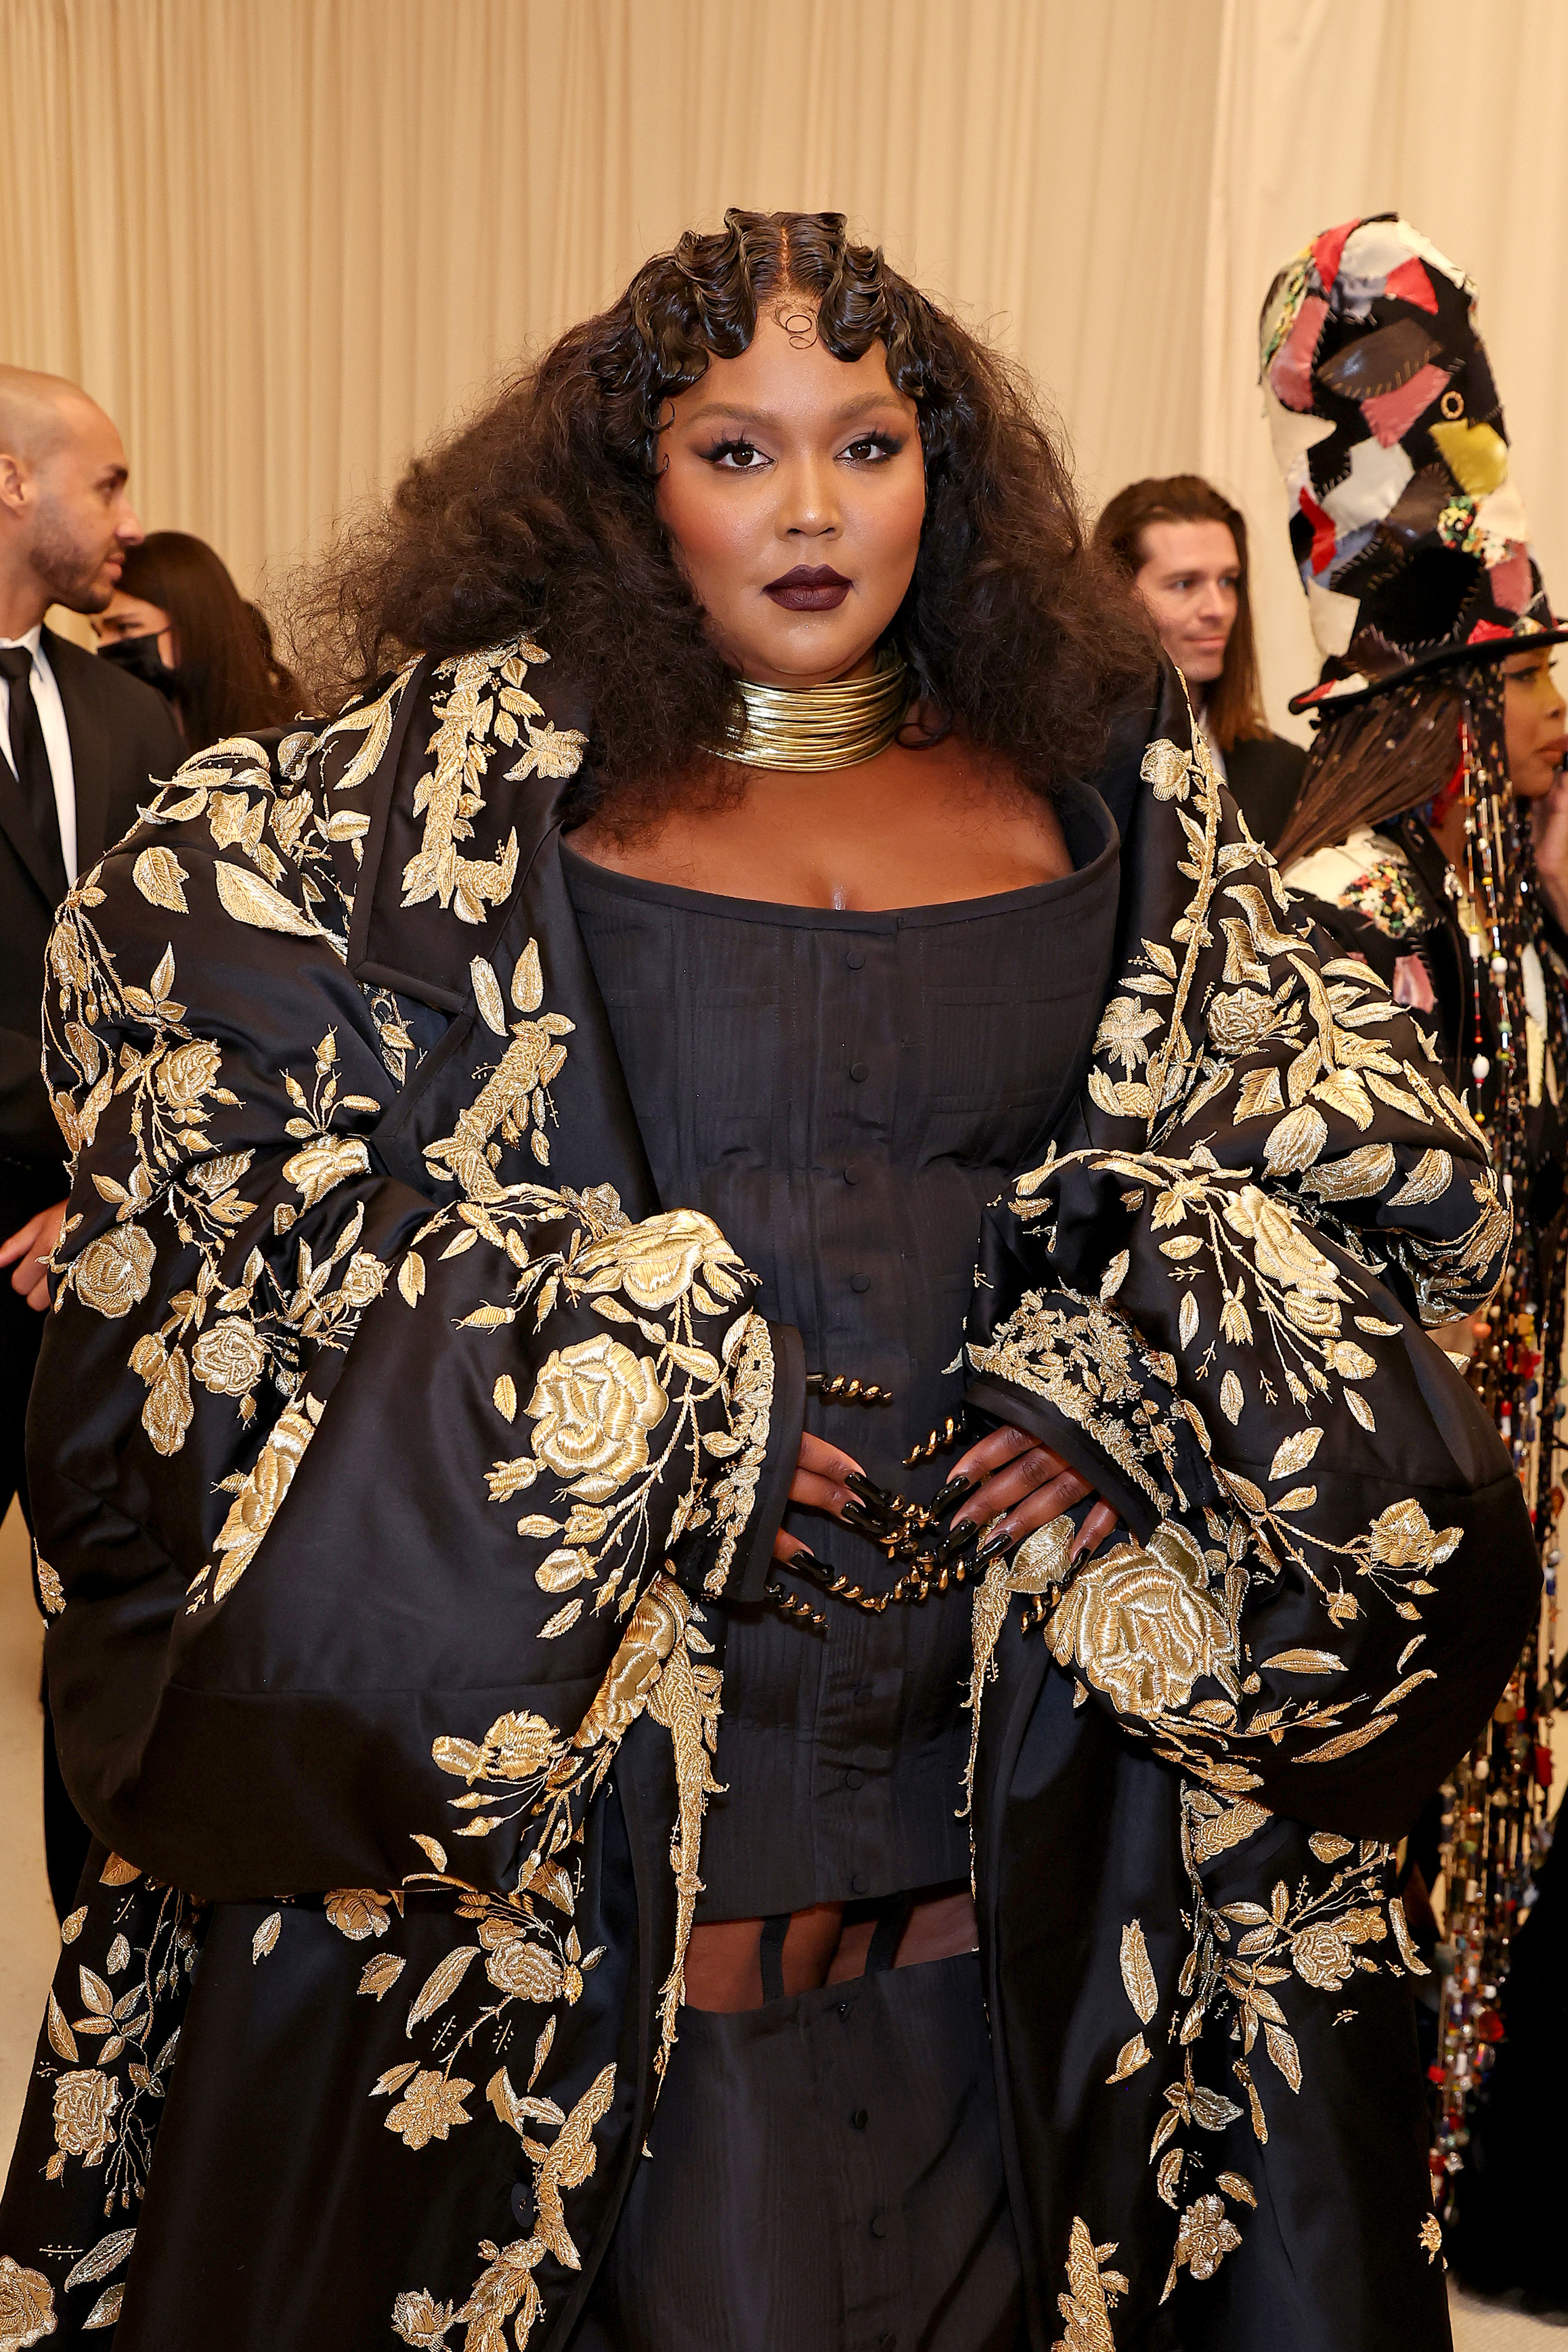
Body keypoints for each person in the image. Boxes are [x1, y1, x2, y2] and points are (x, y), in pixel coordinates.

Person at [0, 211, 1537, 2351]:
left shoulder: (1124, 806)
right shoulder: (407, 822)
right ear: (628, 480)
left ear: (951, 474)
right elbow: (216, 1215)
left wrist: (1141, 1371)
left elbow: (1382, 1178)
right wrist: (638, 1404)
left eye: (869, 443)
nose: (812, 510)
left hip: (1033, 1860)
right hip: (599, 1893)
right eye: (737, 450)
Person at [1257, 213, 1568, 2225]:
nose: (1559, 709)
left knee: (1500, 1789)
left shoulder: (1504, 908)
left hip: (1513, 1446)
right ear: (1453, 706)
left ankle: (1461, 2152)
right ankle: (1381, 2157)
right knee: (1414, 1791)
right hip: (1403, 1464)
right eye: (1533, 681)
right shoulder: (1358, 912)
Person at [0, 366, 186, 1922]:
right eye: (108, 483)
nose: (130, 514)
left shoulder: (133, 713)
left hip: (107, 1254)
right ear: (13, 482)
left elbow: (177, 981)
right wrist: (72, 1139)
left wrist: (113, 1173)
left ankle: (102, 1948)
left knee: (118, 1615)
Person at [1095, 473, 1307, 848]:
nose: (1218, 609)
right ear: (1115, 594)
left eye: (1228, 581)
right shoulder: (1075, 768)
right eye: (1184, 583)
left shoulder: (1285, 772)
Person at [88, 527, 301, 752]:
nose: (103, 647)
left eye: (125, 627)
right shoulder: (116, 748)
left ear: (193, 628)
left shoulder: (281, 756)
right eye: (98, 633)